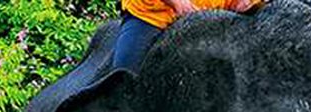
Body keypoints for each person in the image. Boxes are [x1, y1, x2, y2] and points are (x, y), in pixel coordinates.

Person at [112, 0, 265, 72]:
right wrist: (178, 3)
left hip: (218, 15)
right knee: (125, 72)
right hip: (154, 15)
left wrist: (245, 2)